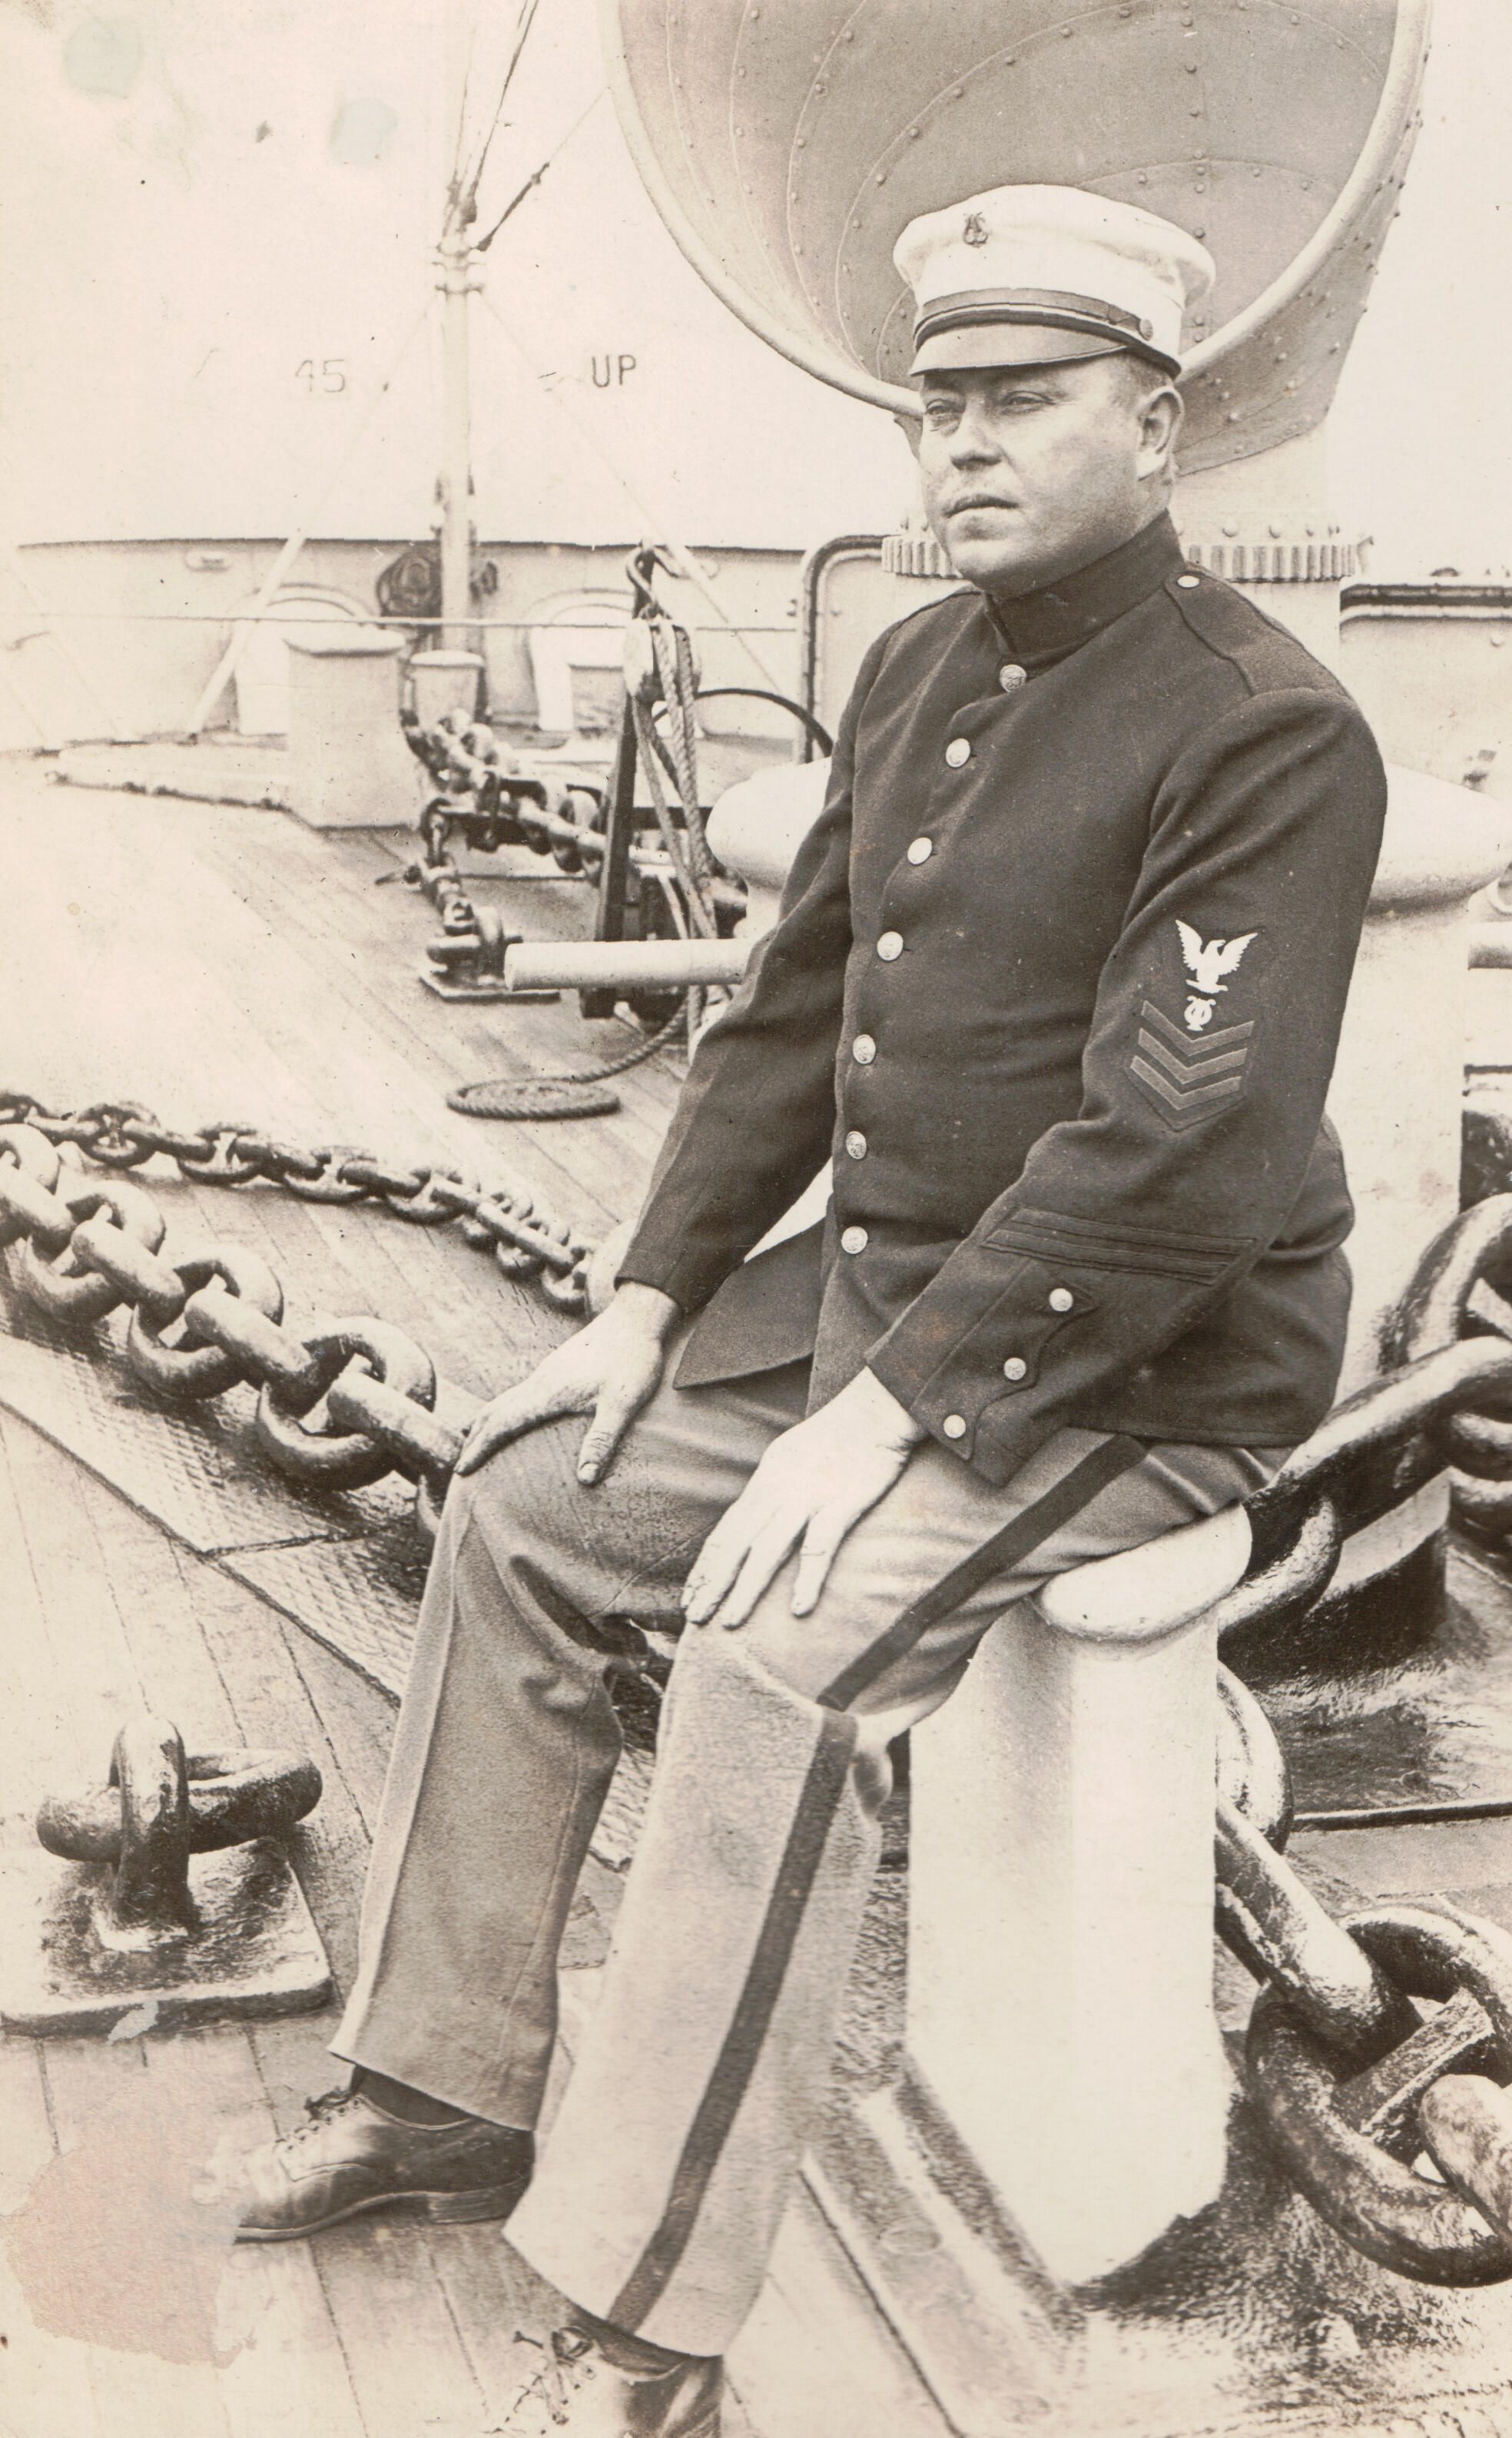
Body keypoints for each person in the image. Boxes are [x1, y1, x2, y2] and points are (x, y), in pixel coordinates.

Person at [220, 184, 1387, 2436]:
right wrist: (651, 1299)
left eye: (1023, 399)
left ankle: (646, 2316)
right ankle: (447, 2089)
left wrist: (894, 1418)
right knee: (529, 1502)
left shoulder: (1266, 729)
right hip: (891, 1306)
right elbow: (791, 1006)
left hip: (1145, 1358)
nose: (963, 444)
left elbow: (1180, 1149)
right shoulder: (922, 662)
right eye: (938, 406)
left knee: (776, 1657)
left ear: (1158, 425)